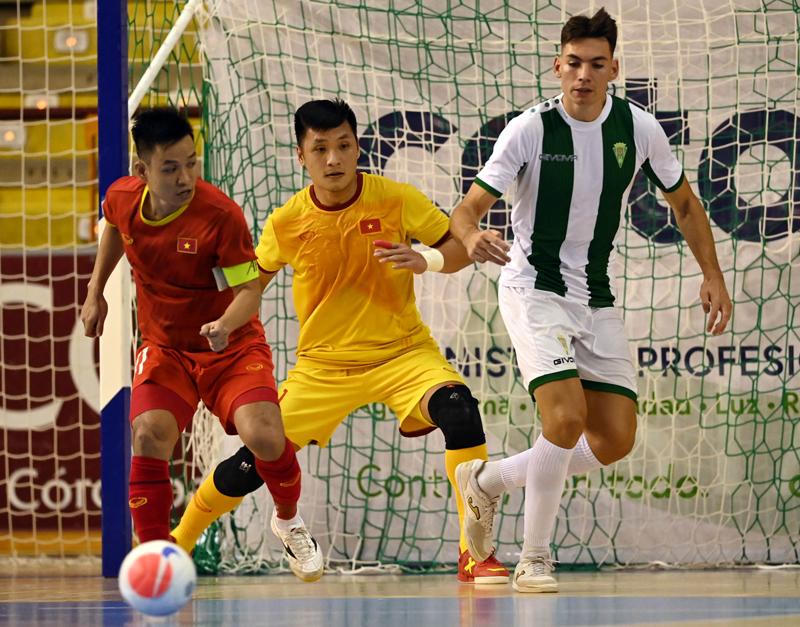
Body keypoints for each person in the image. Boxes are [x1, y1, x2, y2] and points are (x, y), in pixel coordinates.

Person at [450, 8, 732, 593]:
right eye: (574, 63)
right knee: (564, 418)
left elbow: (684, 203)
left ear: (613, 69)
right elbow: (467, 208)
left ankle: (486, 481)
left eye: (596, 64)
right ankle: (534, 557)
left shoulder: (637, 127)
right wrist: (471, 235)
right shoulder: (530, 129)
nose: (584, 74)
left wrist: (713, 274)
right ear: (558, 65)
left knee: (614, 438)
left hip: (595, 296)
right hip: (533, 289)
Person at [171, 98, 509, 584]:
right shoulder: (286, 221)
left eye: (344, 146)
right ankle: (176, 543)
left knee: (459, 409)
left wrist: (426, 260)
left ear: (357, 148)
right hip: (322, 369)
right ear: (301, 156)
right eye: (321, 149)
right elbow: (251, 288)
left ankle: (474, 552)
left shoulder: (396, 198)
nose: (334, 159)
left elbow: (457, 250)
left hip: (403, 354)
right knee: (253, 460)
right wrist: (223, 324)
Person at [80, 107, 323, 582]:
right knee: (148, 433)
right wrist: (95, 292)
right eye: (171, 168)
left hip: (230, 345)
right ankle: (157, 557)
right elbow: (114, 226)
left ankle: (289, 521)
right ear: (142, 170)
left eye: (192, 162)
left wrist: (225, 325)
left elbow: (249, 290)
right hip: (165, 347)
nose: (186, 177)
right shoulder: (123, 198)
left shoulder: (220, 216)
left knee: (264, 435)